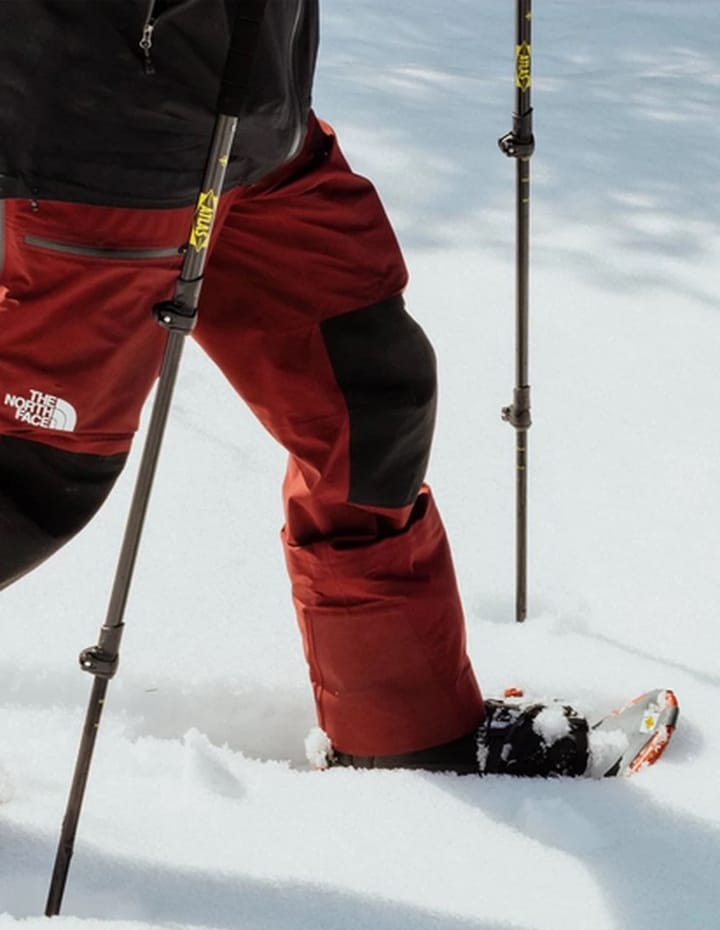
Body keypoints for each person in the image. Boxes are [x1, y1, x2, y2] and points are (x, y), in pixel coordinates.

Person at [0, 0, 591, 777]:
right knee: (37, 470)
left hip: (253, 119)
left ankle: (408, 737)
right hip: (110, 138)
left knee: (371, 396)